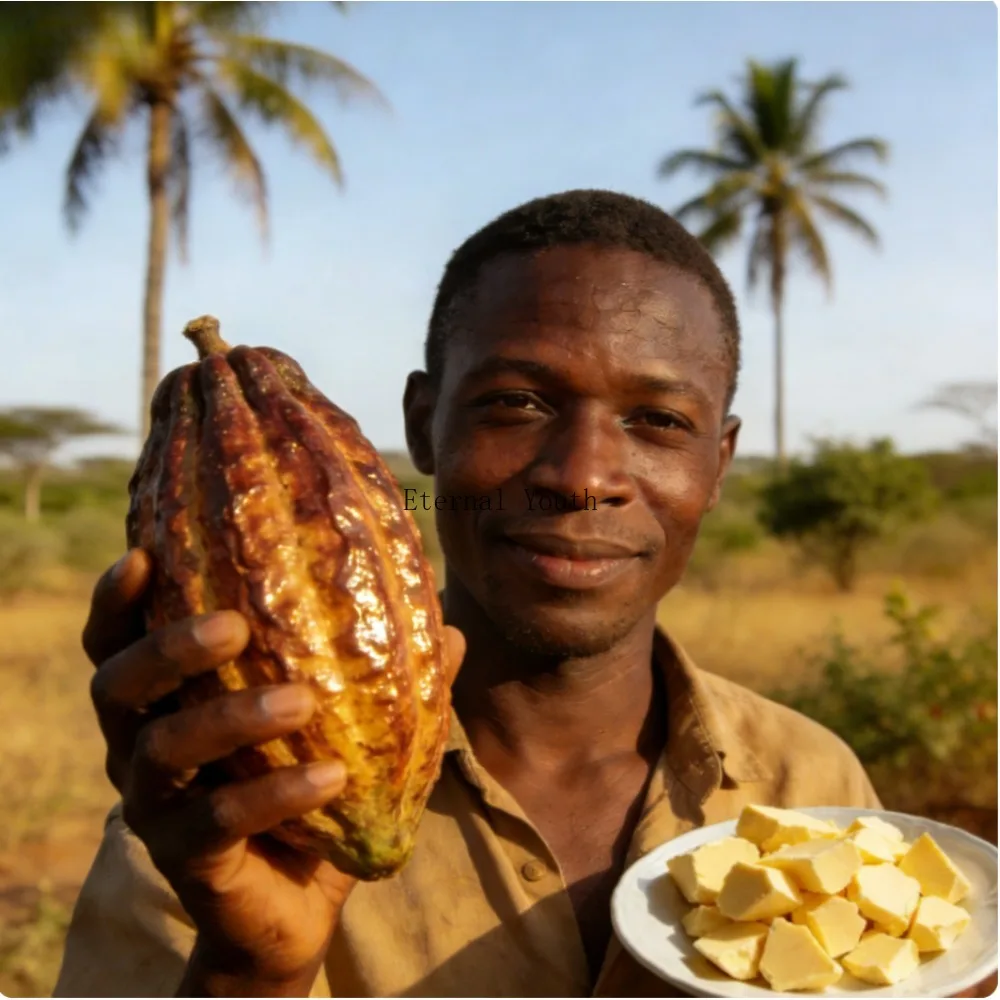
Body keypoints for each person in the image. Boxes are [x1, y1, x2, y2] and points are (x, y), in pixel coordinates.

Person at [53, 190, 992, 999]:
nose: (582, 476)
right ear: (425, 427)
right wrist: (247, 972)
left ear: (719, 463)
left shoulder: (808, 783)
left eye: (658, 421)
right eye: (516, 403)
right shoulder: (227, 818)